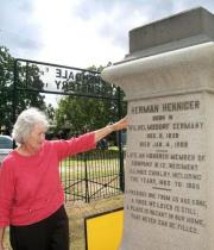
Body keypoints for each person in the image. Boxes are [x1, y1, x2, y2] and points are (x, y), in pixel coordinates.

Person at [0, 107, 128, 250]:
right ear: (25, 134)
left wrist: (113, 127)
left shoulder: (50, 149)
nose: (43, 138)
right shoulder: (10, 164)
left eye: (44, 133)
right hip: (27, 229)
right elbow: (3, 204)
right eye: (39, 134)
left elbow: (80, 142)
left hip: (57, 218)